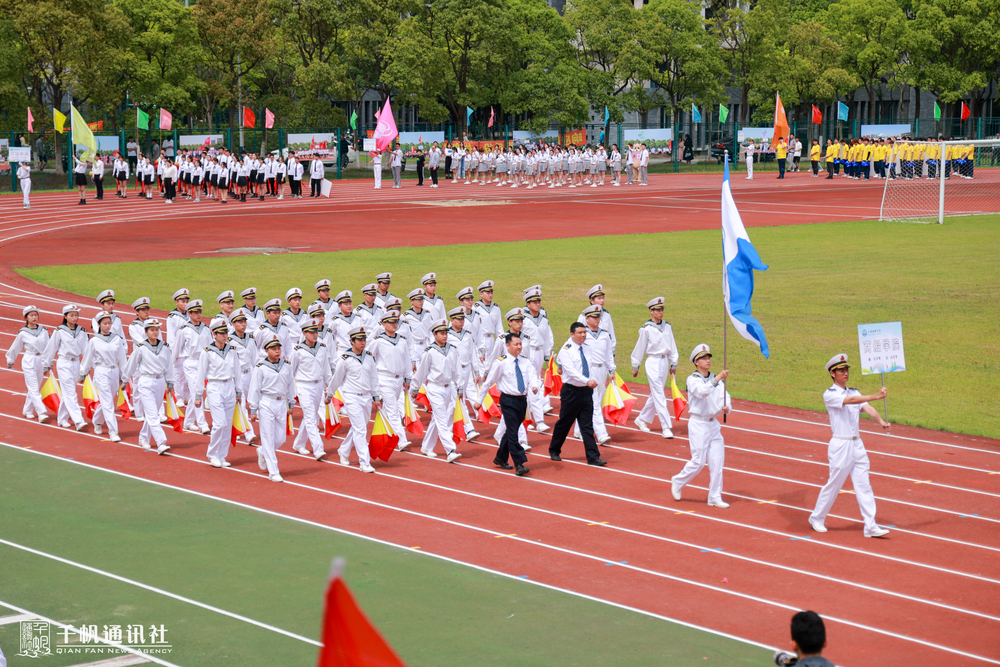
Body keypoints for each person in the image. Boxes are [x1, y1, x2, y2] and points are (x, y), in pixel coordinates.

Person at [808, 354, 891, 537]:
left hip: (857, 444)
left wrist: (881, 421)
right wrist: (876, 395)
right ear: (832, 373)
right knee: (834, 484)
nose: (845, 373)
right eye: (841, 371)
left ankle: (870, 525)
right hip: (841, 444)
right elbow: (851, 402)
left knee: (864, 485)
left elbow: (866, 407)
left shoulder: (854, 391)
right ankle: (817, 517)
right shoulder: (830, 394)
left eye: (846, 370)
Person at [671, 344, 731, 507]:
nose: (707, 360)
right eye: (703, 358)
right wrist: (717, 379)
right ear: (696, 362)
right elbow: (702, 392)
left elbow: (725, 396)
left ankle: (714, 496)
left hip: (713, 424)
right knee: (698, 461)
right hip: (698, 424)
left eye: (708, 357)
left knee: (717, 462)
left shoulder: (715, 380)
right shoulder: (693, 380)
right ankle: (678, 481)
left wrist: (726, 407)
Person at [325, 325, 382, 472]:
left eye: (364, 339)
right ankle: (364, 462)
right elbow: (336, 379)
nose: (363, 342)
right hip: (351, 397)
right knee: (361, 430)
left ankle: (343, 450)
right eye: (359, 340)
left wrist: (376, 396)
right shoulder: (345, 359)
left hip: (367, 397)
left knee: (359, 427)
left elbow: (374, 378)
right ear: (352, 341)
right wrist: (329, 394)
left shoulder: (369, 357)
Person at [548, 322, 606, 466]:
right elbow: (571, 372)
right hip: (571, 392)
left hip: (586, 392)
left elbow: (589, 366)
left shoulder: (587, 348)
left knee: (587, 425)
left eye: (584, 332)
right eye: (579, 333)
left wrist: (590, 383)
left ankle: (593, 456)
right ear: (572, 334)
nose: (583, 335)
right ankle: (554, 450)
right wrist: (587, 381)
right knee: (565, 423)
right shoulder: (566, 350)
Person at [482, 332, 537, 475]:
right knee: (514, 433)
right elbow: (488, 382)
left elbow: (533, 376)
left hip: (522, 401)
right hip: (508, 401)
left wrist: (535, 386)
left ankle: (500, 457)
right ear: (507, 345)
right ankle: (519, 464)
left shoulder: (525, 361)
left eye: (520, 344)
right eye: (516, 344)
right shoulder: (501, 362)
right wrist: (478, 401)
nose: (519, 347)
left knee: (511, 430)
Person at [410, 319, 464, 462]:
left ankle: (427, 446)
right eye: (441, 333)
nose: (445, 336)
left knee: (437, 419)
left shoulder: (452, 349)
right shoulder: (430, 352)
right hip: (435, 388)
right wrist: (415, 388)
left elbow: (457, 370)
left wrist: (460, 387)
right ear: (434, 334)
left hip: (448, 387)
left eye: (446, 333)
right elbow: (421, 372)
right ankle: (450, 449)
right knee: (442, 418)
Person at [122, 318, 175, 454]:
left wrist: (170, 382)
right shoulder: (141, 348)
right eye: (152, 330)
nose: (155, 332)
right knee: (152, 414)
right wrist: (124, 380)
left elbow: (168, 366)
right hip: (145, 381)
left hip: (159, 381)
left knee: (153, 413)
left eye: (157, 329)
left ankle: (143, 437)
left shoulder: (165, 347)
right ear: (146, 332)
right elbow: (131, 365)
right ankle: (161, 442)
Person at [248, 335, 294, 482]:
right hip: (266, 401)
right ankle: (273, 471)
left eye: (278, 348)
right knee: (267, 436)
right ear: (266, 350)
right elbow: (254, 388)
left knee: (280, 437)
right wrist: (253, 409)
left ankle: (263, 451)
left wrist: (291, 402)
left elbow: (290, 384)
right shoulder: (260, 367)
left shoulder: (286, 365)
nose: (277, 351)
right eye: (273, 349)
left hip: (281, 403)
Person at [630, 297, 678, 438]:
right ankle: (666, 426)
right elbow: (640, 347)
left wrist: (673, 363)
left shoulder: (667, 326)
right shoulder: (647, 329)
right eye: (657, 310)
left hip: (664, 362)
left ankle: (642, 419)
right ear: (651, 311)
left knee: (656, 393)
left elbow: (672, 345)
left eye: (662, 309)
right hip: (652, 362)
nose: (660, 312)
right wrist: (636, 365)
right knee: (659, 394)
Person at [79, 311, 128, 442]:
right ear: (99, 325)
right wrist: (83, 373)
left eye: (109, 323)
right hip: (101, 371)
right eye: (104, 323)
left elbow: (122, 358)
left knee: (107, 400)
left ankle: (96, 420)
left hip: (114, 371)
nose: (107, 326)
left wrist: (124, 375)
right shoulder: (94, 341)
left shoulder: (117, 339)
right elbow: (87, 358)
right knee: (108, 403)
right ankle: (113, 432)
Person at [42, 304, 88, 431]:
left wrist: (86, 366)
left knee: (68, 392)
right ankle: (79, 420)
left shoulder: (82, 331)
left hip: (76, 363)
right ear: (65, 316)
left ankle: (62, 418)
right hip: (64, 363)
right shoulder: (59, 331)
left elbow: (86, 350)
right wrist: (46, 364)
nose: (75, 318)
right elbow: (51, 348)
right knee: (70, 393)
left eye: (76, 315)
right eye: (71, 315)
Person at [290, 321, 331, 460]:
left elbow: (326, 370)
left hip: (318, 385)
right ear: (304, 334)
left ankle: (299, 443)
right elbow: (290, 372)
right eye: (311, 332)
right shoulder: (297, 351)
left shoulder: (322, 348)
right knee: (310, 417)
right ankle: (318, 448)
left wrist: (329, 388)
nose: (314, 335)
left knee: (311, 416)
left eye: (316, 332)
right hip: (304, 386)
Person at [5, 305, 50, 422]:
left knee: (35, 387)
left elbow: (48, 347)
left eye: (35, 315)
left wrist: (48, 363)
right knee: (34, 388)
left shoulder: (43, 330)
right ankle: (42, 412)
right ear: (26, 317)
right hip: (30, 359)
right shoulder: (23, 333)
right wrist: (10, 360)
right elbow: (15, 347)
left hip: (41, 359)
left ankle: (27, 410)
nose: (34, 317)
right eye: (31, 315)